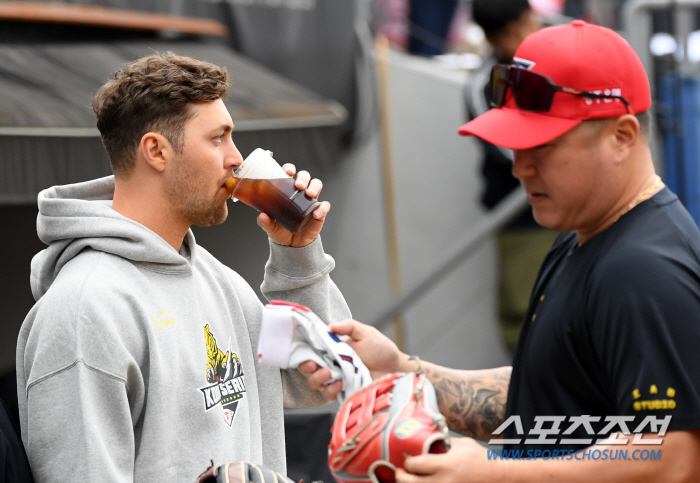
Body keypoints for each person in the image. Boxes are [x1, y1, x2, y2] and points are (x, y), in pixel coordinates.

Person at [304, 21, 700, 481]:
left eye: (543, 145)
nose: (520, 166)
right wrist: (404, 373)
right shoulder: (582, 237)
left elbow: (675, 458)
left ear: (622, 137)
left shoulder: (643, 269)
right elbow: (545, 393)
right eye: (515, 145)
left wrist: (497, 473)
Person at [15, 52, 349, 482]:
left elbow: (321, 377)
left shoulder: (221, 281)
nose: (236, 159)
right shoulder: (84, 310)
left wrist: (298, 253)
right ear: (156, 150)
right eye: (218, 138)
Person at [467, 0, 557, 353]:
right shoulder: (485, 83)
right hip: (521, 215)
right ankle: (534, 394)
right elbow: (504, 149)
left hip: (575, 203)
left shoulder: (561, 59)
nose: (520, 37)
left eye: (523, 25)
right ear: (490, 36)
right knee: (526, 309)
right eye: (508, 33)